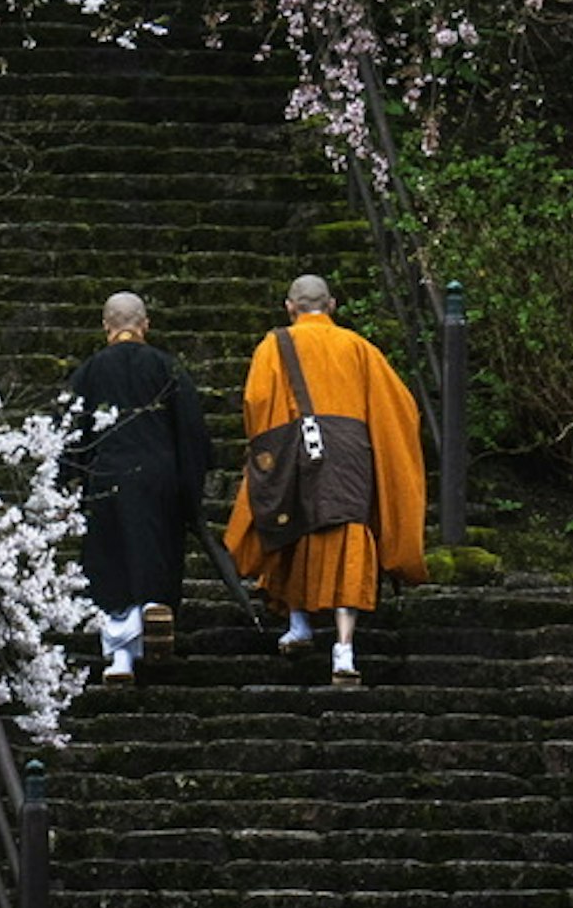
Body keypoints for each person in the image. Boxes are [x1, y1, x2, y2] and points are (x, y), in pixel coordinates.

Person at [225, 271, 427, 687]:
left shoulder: (273, 345)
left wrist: (268, 450)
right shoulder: (358, 347)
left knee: (292, 526)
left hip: (294, 446)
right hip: (350, 450)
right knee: (348, 534)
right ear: (332, 306)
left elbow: (256, 401)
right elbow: (401, 405)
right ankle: (344, 649)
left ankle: (298, 624)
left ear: (289, 307)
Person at [63, 289, 208, 688]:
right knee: (155, 551)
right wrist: (190, 488)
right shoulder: (167, 368)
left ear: (106, 326)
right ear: (144, 324)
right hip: (159, 476)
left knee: (111, 562)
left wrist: (65, 483)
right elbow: (192, 432)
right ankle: (155, 606)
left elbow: (69, 432)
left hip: (107, 476)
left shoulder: (88, 372)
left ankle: (120, 656)